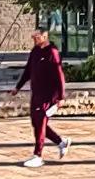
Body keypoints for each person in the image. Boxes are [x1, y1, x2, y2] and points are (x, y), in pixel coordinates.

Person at [14, 27, 69, 168]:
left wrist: (61, 97)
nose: (34, 39)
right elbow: (28, 71)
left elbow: (59, 75)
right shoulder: (35, 52)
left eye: (36, 36)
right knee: (37, 123)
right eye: (33, 36)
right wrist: (17, 87)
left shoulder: (52, 52)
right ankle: (61, 142)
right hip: (36, 94)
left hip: (48, 95)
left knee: (40, 123)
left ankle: (37, 155)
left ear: (45, 36)